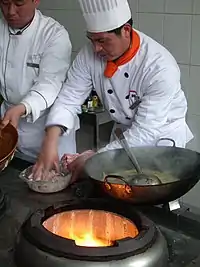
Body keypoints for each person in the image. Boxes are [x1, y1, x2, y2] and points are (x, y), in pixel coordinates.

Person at [34, 0, 193, 180]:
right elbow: (69, 98)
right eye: (91, 40)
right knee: (117, 188)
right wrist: (51, 140)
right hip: (124, 136)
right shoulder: (88, 55)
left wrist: (93, 158)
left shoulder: (159, 67)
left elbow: (146, 132)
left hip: (160, 139)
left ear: (126, 30)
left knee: (152, 191)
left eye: (102, 40)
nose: (96, 49)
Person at [0, 0, 76, 163]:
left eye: (19, 4)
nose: (11, 11)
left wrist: (22, 107)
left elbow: (50, 83)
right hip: (8, 123)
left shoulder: (53, 34)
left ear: (36, 1)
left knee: (52, 180)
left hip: (47, 126)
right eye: (5, 3)